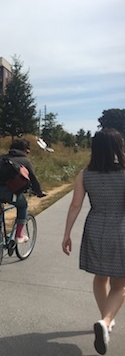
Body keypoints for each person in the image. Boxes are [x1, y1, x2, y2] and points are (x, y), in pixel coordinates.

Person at [62, 128, 125, 355]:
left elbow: (75, 205)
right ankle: (106, 322)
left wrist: (67, 234)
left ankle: (105, 320)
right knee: (121, 284)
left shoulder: (84, 174)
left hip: (95, 227)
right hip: (121, 228)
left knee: (101, 277)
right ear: (118, 147)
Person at [0, 138, 45, 243]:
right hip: (8, 192)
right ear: (26, 150)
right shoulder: (25, 161)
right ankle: (19, 235)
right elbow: (33, 179)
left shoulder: (2, 158)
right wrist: (39, 192)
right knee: (23, 205)